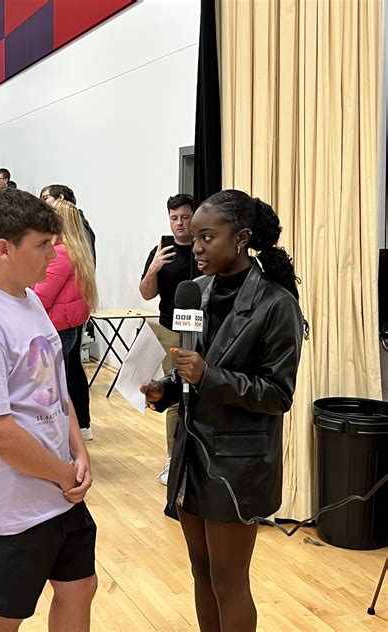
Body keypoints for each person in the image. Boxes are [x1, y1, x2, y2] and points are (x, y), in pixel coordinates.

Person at [141, 190, 305, 632]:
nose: (196, 248)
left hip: (238, 463)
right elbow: (191, 364)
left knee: (230, 581)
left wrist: (206, 376)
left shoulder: (276, 305)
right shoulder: (196, 293)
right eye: (193, 237)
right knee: (202, 572)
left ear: (241, 238)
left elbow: (277, 394)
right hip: (192, 455)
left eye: (207, 237)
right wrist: (167, 388)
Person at [0, 188, 97, 631]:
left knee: (79, 586)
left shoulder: (28, 298)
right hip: (11, 502)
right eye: (42, 245)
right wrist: (64, 473)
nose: (54, 255)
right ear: (4, 249)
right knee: (2, 618)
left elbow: (54, 384)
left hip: (58, 487)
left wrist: (78, 453)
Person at [139, 193, 197, 485]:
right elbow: (146, 293)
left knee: (200, 395)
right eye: (174, 218)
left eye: (185, 217)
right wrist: (154, 268)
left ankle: (196, 459)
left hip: (202, 331)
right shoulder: (162, 250)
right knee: (174, 395)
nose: (179, 224)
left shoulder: (205, 248)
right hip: (169, 330)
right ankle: (174, 459)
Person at [34, 199, 98, 442]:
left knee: (50, 393)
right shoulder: (79, 251)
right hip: (68, 328)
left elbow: (41, 296)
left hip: (55, 329)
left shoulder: (60, 254)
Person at [41, 184, 96, 261]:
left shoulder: (79, 225)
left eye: (45, 198)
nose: (42, 203)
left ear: (60, 197)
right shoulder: (77, 223)